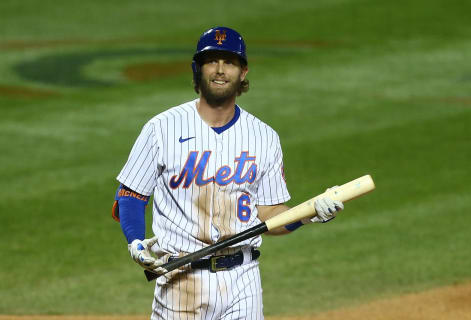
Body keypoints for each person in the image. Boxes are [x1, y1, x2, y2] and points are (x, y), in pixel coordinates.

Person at [112, 26, 344, 320]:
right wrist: (134, 240)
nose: (220, 70)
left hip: (243, 280)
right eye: (212, 61)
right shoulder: (161, 128)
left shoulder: (263, 136)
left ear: (243, 71)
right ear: (198, 69)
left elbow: (271, 213)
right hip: (181, 283)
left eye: (230, 62)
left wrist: (309, 213)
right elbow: (131, 193)